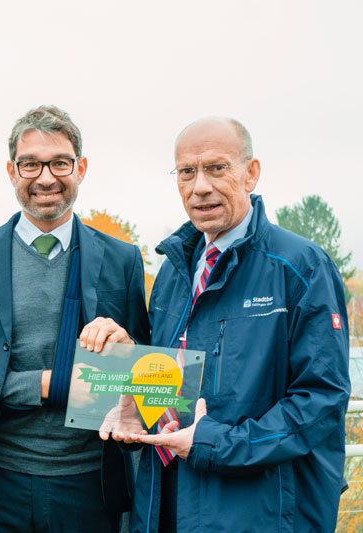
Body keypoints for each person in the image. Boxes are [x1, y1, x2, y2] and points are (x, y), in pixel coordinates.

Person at [89, 117, 350, 532]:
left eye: (216, 168)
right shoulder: (173, 273)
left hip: (255, 512)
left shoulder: (300, 267)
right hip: (166, 502)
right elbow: (175, 384)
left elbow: (321, 401)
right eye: (187, 172)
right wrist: (129, 382)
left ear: (251, 173)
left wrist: (213, 444)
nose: (200, 187)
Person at [0, 105, 150, 531]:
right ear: (11, 171)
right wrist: (48, 383)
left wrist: (130, 352)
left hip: (90, 484)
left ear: (81, 168)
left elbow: (147, 381)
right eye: (30, 164)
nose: (45, 178)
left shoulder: (123, 261)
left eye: (60, 162)